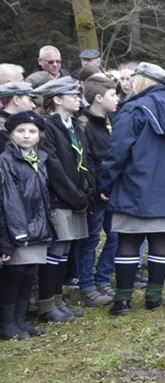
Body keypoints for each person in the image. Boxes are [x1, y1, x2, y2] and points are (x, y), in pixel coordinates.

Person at [99, 63, 165, 316]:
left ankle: (122, 301)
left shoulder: (132, 110)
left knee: (128, 241)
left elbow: (117, 151)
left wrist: (106, 183)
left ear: (145, 81)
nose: (131, 83)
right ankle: (154, 298)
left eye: (135, 78)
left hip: (135, 186)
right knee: (162, 240)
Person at [35, 77, 92, 321]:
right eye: (72, 94)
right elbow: (54, 167)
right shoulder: (49, 127)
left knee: (65, 249)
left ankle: (58, 301)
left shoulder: (74, 125)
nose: (78, 98)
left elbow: (83, 161)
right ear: (57, 100)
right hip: (61, 198)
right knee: (55, 250)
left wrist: (84, 192)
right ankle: (47, 305)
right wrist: (74, 195)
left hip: (75, 197)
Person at [0, 111, 56, 340]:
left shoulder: (39, 159)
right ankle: (8, 324)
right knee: (15, 274)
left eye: (32, 131)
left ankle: (21, 320)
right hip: (18, 228)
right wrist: (14, 235)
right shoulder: (6, 161)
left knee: (28, 273)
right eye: (20, 131)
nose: (26, 136)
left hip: (37, 227)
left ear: (39, 135)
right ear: (11, 134)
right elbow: (9, 201)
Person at [77, 74, 121, 303]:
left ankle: (103, 278)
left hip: (113, 189)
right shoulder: (83, 125)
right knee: (90, 240)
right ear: (98, 98)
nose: (118, 98)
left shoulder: (112, 119)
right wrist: (96, 189)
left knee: (114, 237)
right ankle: (86, 285)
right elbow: (88, 162)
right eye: (113, 95)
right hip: (96, 193)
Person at [0, 81, 38, 147]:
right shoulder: (2, 127)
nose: (33, 105)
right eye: (30, 100)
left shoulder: (27, 121)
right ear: (16, 100)